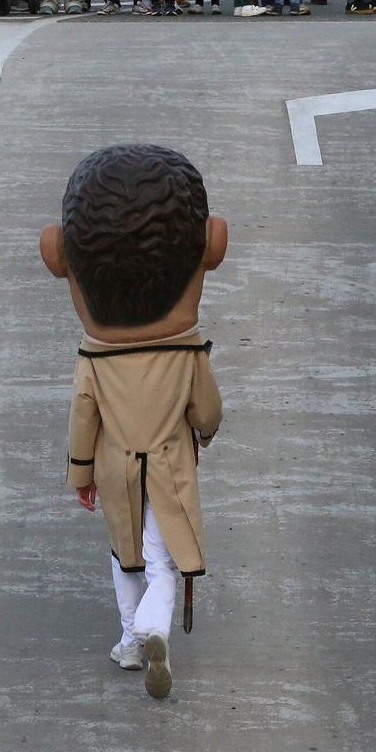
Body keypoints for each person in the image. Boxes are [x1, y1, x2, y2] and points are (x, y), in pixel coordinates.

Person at [45, 143, 227, 702]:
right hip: (169, 463)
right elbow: (207, 413)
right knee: (163, 557)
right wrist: (205, 433)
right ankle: (154, 628)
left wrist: (81, 475)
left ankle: (129, 640)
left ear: (59, 257)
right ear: (210, 247)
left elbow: (84, 417)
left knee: (125, 554)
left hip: (116, 463)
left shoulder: (94, 361)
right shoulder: (187, 355)